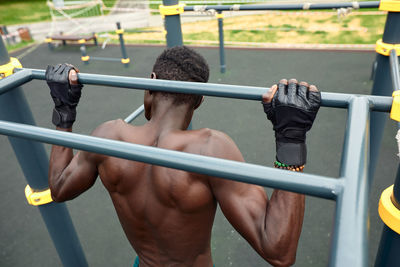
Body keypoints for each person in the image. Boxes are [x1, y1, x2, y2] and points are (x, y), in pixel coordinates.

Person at [46, 46, 320, 267]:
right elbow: (278, 251)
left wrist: (64, 111)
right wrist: (290, 140)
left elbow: (58, 188)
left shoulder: (108, 137)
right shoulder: (209, 149)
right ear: (200, 99)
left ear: (151, 82)